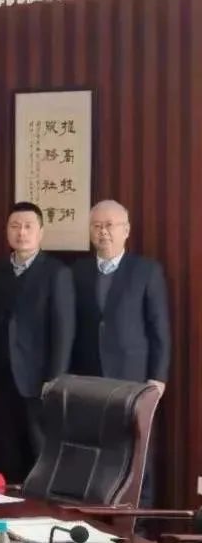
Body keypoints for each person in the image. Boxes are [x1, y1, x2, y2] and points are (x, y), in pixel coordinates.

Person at [71, 199, 170, 511]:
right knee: (94, 452)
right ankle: (96, 519)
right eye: (97, 226)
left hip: (134, 378)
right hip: (90, 378)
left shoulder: (147, 270)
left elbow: (159, 328)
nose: (103, 232)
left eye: (110, 225)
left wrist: (158, 377)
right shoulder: (78, 271)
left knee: (138, 452)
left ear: (126, 230)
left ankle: (139, 524)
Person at [0, 202, 74, 482]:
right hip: (1, 376)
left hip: (38, 378)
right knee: (5, 449)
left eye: (28, 226)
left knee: (39, 449)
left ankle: (40, 504)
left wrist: (54, 378)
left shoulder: (56, 272)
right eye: (15, 226)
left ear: (41, 232)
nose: (21, 232)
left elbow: (63, 330)